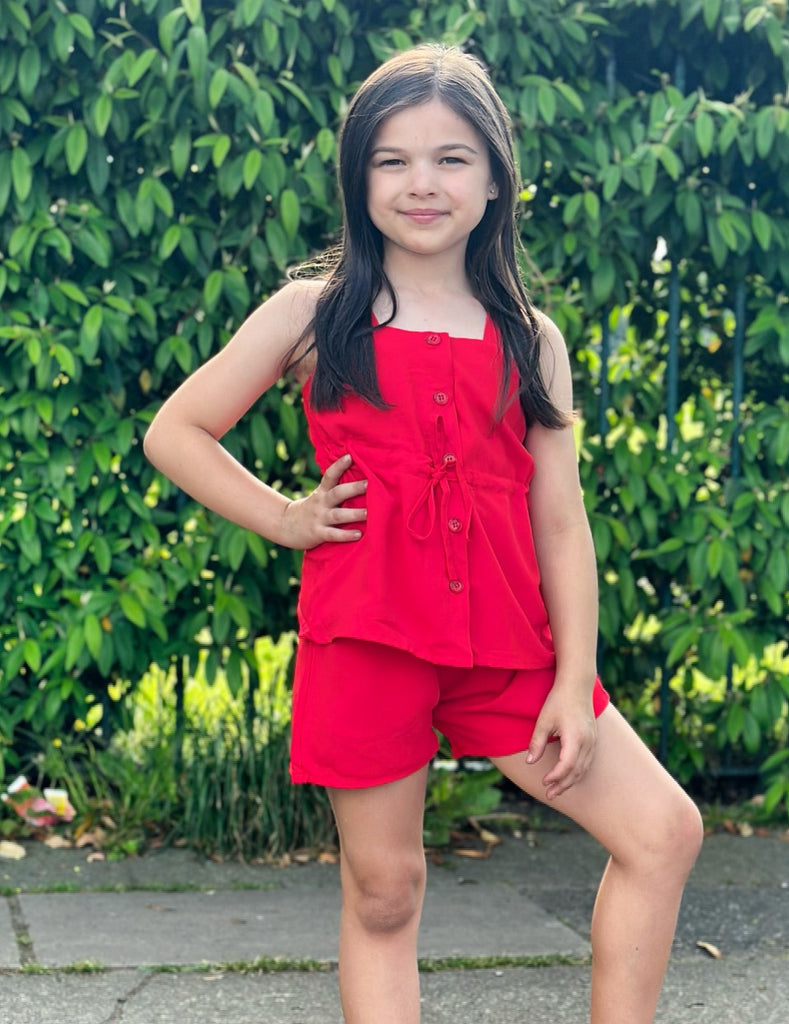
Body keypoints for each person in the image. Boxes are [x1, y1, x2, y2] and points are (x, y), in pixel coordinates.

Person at [144, 43, 703, 1024]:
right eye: (392, 160)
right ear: (359, 179)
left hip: (509, 647)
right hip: (366, 639)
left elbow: (560, 521)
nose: (422, 183)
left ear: (494, 179)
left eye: (452, 158)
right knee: (386, 890)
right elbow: (175, 431)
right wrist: (287, 518)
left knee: (663, 830)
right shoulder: (314, 314)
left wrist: (574, 678)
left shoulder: (531, 337)